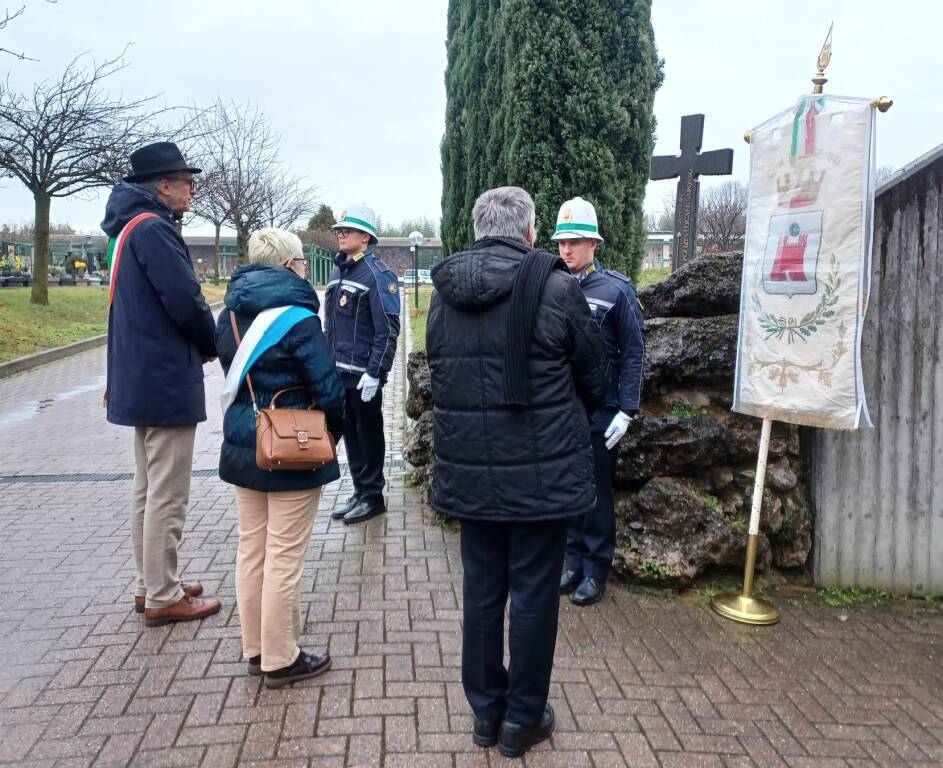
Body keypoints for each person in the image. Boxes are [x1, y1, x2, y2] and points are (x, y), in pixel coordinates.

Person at [426, 186, 607, 757]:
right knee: (532, 595)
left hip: (471, 472)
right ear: (529, 233)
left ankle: (486, 713)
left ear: (477, 230)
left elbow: (437, 369)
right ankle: (522, 720)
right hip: (540, 476)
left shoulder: (443, 295)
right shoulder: (553, 285)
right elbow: (595, 372)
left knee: (482, 593)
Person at [215, 228, 345, 688]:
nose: (306, 268)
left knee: (252, 547)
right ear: (290, 265)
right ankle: (281, 658)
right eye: (303, 261)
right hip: (292, 445)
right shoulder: (297, 317)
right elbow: (328, 386)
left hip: (244, 441)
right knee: (285, 554)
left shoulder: (229, 312)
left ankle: (256, 647)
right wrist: (333, 432)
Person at [102, 141, 221, 627]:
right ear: (164, 186)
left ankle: (149, 582)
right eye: (186, 181)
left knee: (147, 489)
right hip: (164, 377)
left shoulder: (128, 228)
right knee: (167, 492)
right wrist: (211, 342)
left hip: (139, 375)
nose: (192, 189)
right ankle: (163, 594)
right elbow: (185, 300)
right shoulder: (155, 231)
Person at [552, 197, 646, 607]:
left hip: (602, 412)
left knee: (596, 492)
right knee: (568, 489)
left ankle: (596, 568)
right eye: (561, 242)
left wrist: (627, 409)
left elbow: (635, 351)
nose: (566, 250)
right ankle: (572, 561)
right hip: (564, 409)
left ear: (594, 245)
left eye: (575, 241)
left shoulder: (616, 290)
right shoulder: (554, 288)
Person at [324, 204, 400, 525]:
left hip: (363, 374)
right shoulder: (339, 270)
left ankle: (373, 496)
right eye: (340, 229)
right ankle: (359, 490)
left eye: (349, 230)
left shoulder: (378, 274)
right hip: (339, 372)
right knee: (352, 437)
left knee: (368, 435)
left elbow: (387, 328)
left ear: (366, 237)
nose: (341, 234)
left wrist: (376, 372)